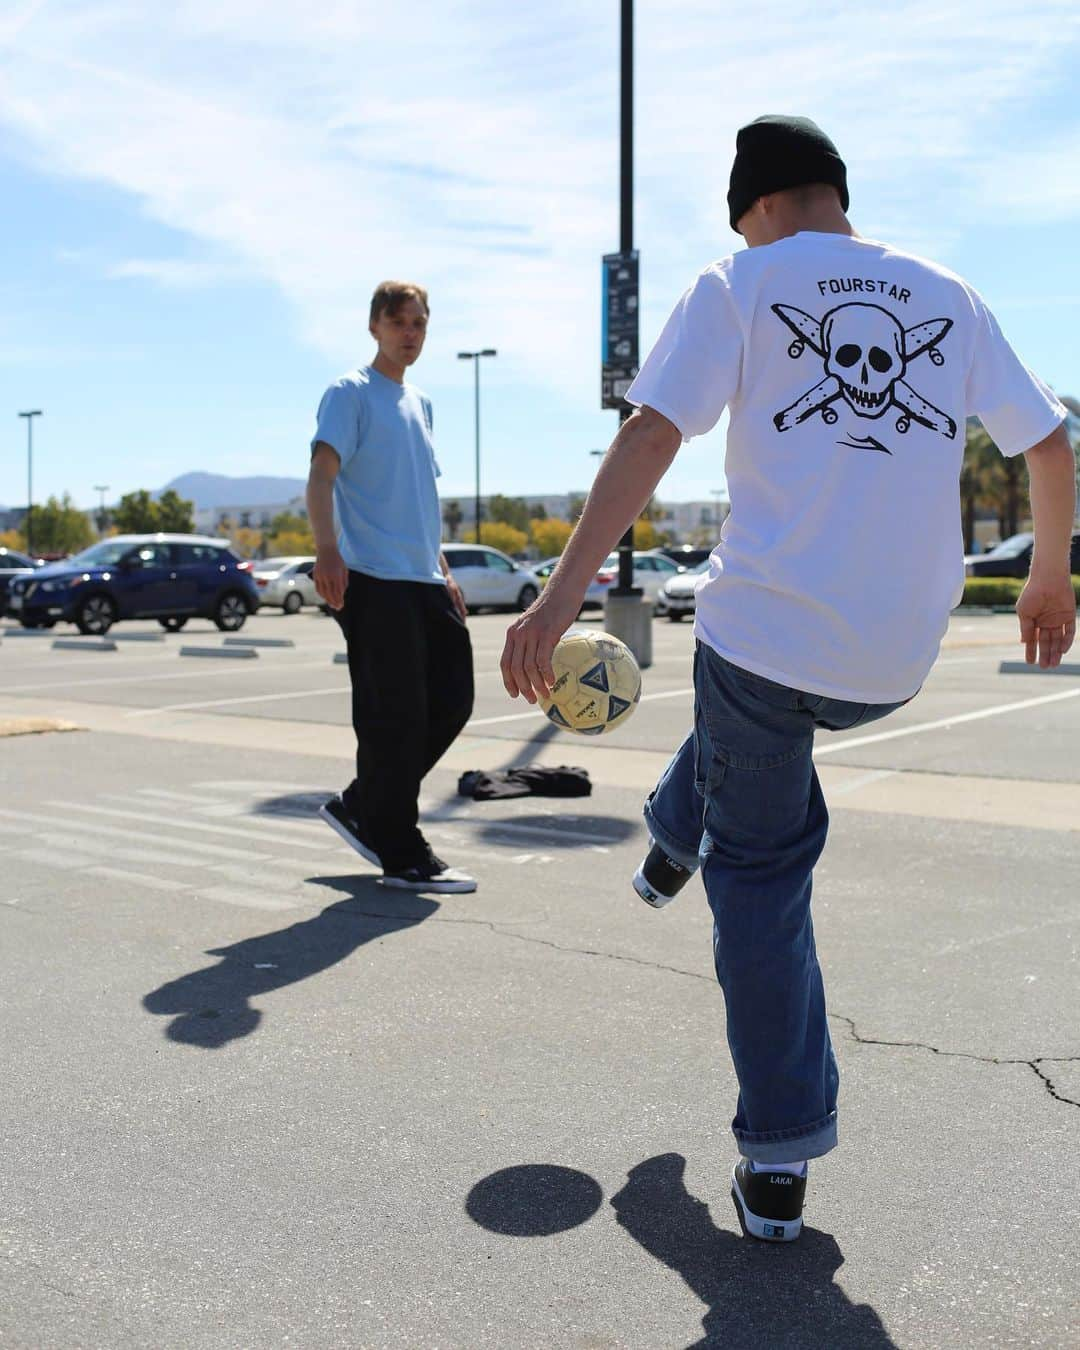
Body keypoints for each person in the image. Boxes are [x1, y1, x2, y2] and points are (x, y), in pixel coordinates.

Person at [501, 115, 1076, 1241]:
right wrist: (1050, 577)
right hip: (895, 658)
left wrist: (560, 595)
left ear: (753, 208)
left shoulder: (738, 281)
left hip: (764, 646)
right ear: (834, 194)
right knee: (748, 722)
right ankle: (679, 836)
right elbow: (1050, 445)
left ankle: (779, 1152)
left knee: (759, 879)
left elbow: (654, 433)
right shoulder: (950, 294)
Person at [308, 280, 477, 894]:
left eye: (420, 324)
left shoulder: (422, 403)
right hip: (373, 579)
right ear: (375, 325)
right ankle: (400, 849)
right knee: (394, 718)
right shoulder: (350, 393)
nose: (411, 334)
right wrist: (328, 551)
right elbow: (321, 477)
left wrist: (445, 571)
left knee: (454, 698)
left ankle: (364, 803)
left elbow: (419, 499)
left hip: (424, 578)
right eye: (400, 322)